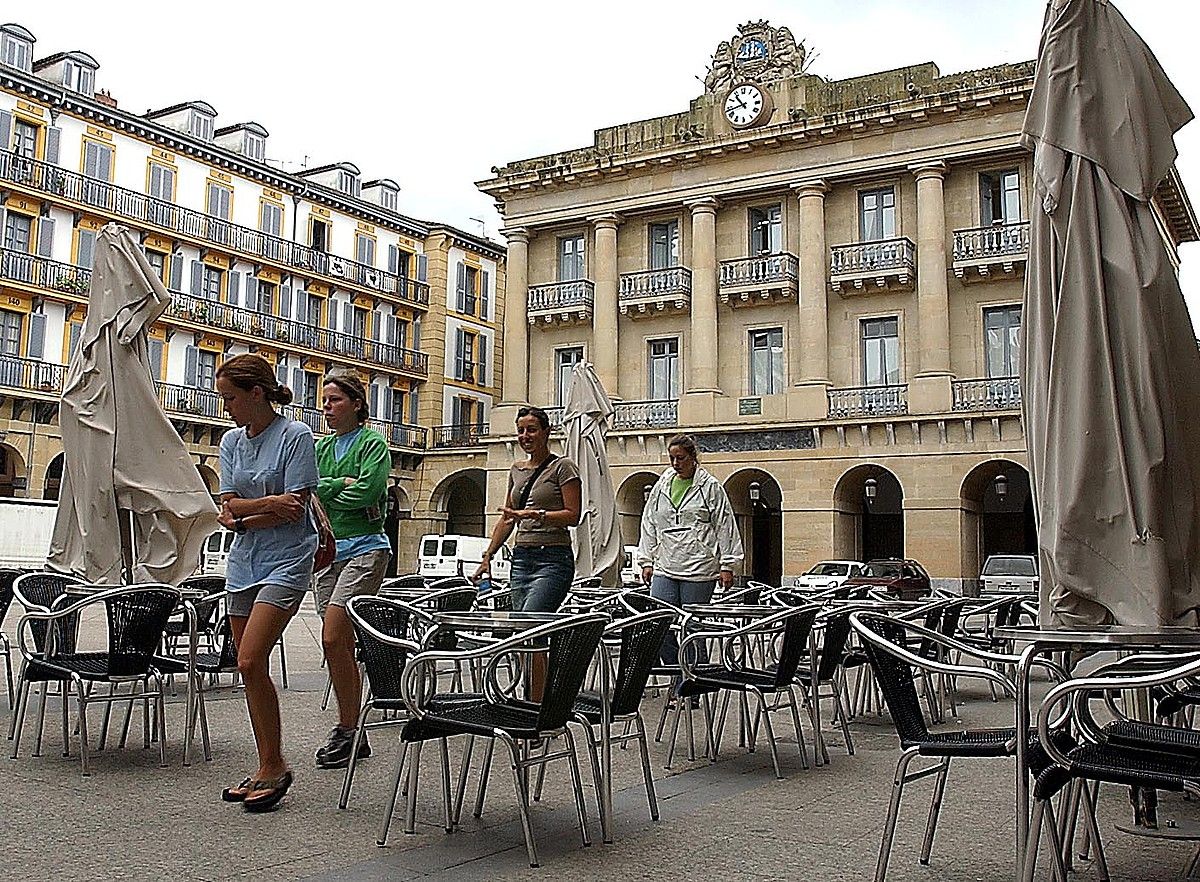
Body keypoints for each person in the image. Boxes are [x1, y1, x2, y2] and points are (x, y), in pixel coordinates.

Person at [215, 354, 318, 812]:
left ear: (256, 393)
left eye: (231, 398)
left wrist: (247, 510)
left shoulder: (296, 436)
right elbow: (226, 507)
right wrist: (266, 504)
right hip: (243, 562)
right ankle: (268, 764)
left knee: (250, 656)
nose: (226, 407)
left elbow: (295, 508)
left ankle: (274, 766)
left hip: (288, 558)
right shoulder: (231, 443)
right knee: (248, 667)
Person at [311, 373, 392, 769]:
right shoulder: (321, 447)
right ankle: (352, 729)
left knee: (332, 637)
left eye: (334, 400)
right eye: (324, 400)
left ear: (356, 403)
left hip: (365, 549)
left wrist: (330, 490)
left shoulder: (373, 443)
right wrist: (335, 485)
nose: (326, 406)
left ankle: (347, 728)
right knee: (336, 645)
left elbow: (370, 491)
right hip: (328, 550)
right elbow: (309, 490)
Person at [637, 434, 744, 666]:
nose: (676, 463)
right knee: (658, 622)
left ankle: (693, 687)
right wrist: (646, 560)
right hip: (666, 565)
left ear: (693, 458)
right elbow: (649, 522)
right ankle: (678, 673)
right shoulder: (662, 485)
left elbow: (725, 525)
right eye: (672, 458)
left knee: (692, 628)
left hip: (699, 568)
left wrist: (728, 565)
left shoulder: (710, 487)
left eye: (681, 458)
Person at [474, 406, 581, 612]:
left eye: (531, 430)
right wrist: (488, 557)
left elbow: (573, 515)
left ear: (546, 432)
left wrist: (535, 515)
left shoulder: (563, 467)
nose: (525, 436)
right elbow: (507, 519)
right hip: (521, 558)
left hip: (553, 559)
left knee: (531, 621)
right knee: (521, 625)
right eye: (520, 431)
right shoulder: (516, 470)